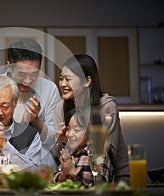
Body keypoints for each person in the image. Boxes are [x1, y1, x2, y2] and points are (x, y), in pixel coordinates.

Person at [0, 38, 61, 165]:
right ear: (9, 66)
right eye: (21, 74)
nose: (27, 81)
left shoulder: (49, 89)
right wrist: (22, 126)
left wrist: (36, 122)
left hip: (39, 164)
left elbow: (55, 140)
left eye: (34, 74)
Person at [55, 54, 129, 183]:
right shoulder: (62, 107)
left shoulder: (106, 106)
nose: (62, 84)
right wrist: (63, 141)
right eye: (61, 79)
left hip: (114, 178)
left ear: (87, 81)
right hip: (74, 178)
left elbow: (107, 152)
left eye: (69, 79)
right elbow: (60, 156)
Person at [53, 108, 114, 186]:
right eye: (68, 129)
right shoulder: (69, 154)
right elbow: (54, 183)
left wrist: (72, 173)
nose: (70, 134)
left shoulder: (98, 155)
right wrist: (64, 173)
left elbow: (99, 185)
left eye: (77, 130)